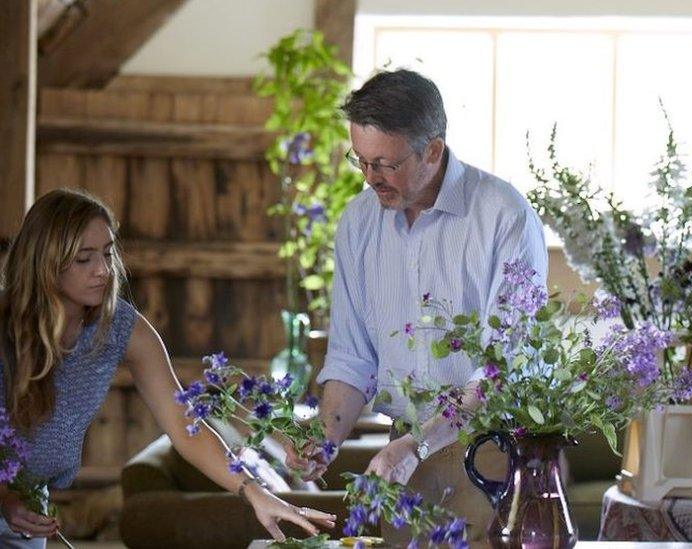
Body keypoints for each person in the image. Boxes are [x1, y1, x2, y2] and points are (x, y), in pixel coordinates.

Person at [286, 69, 548, 542]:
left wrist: (417, 445)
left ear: (433, 150)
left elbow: (501, 370)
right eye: (360, 161)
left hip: (490, 449)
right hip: (400, 454)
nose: (370, 179)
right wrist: (323, 437)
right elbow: (352, 356)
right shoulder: (359, 222)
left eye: (385, 164)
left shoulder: (503, 215)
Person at [0, 189, 336, 547]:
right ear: (46, 262)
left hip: (27, 506)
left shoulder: (121, 329)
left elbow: (184, 423)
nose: (102, 270)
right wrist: (4, 497)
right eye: (84, 259)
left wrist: (255, 493)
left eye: (108, 253)